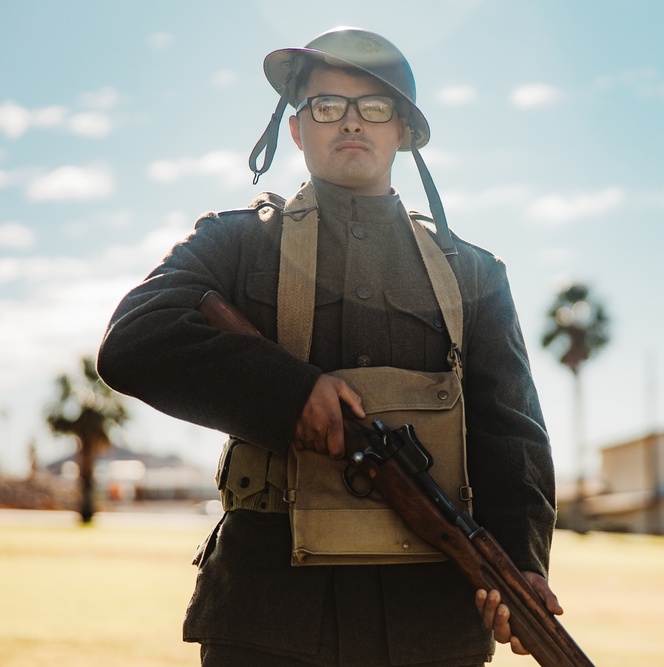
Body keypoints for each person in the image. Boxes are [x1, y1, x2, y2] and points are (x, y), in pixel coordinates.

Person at [97, 26, 559, 667]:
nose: (350, 123)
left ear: (403, 129)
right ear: (295, 128)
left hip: (433, 627)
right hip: (266, 619)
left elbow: (511, 437)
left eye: (373, 107)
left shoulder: (475, 276)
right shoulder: (235, 245)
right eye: (326, 106)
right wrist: (290, 394)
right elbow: (133, 340)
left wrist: (521, 565)